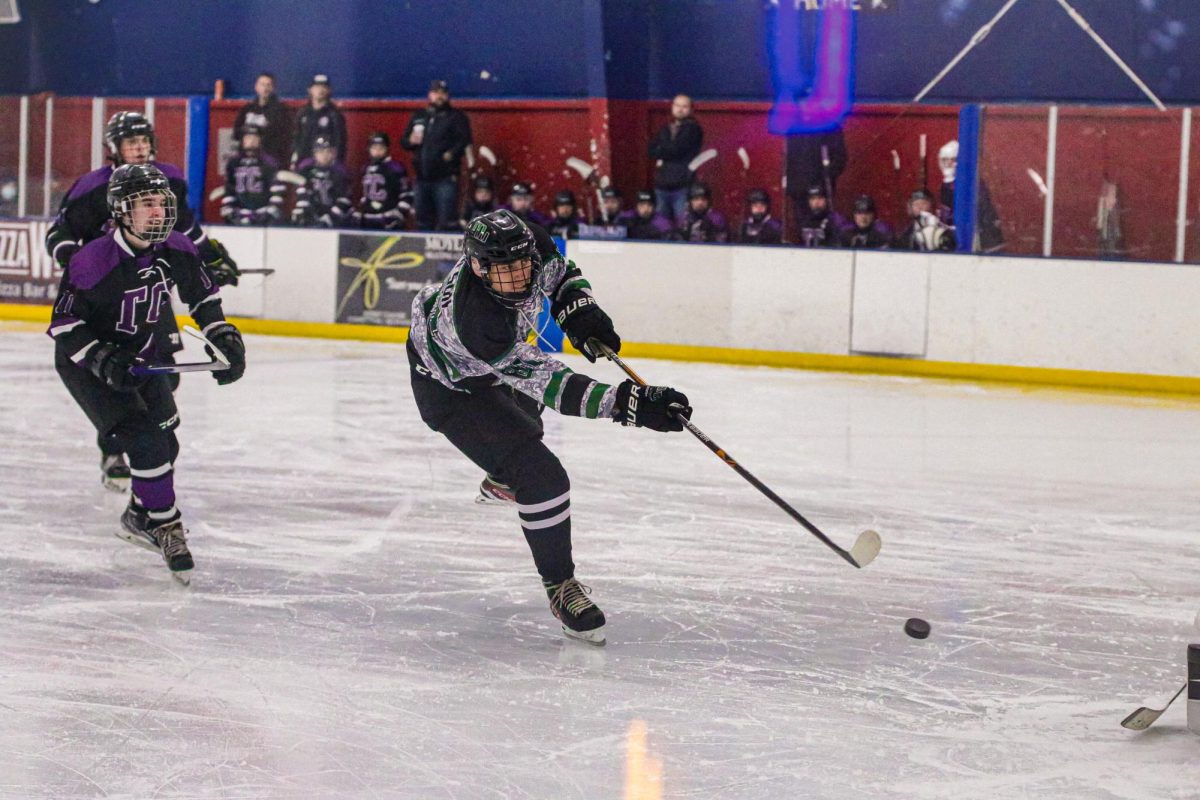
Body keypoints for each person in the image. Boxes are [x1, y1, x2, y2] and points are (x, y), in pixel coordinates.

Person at [406, 209, 691, 644]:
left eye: (523, 265)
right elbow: (553, 385)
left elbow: (561, 275)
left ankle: (501, 476)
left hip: (497, 361)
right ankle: (560, 586)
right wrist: (631, 404)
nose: (519, 277)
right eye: (504, 270)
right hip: (451, 389)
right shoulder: (476, 321)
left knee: (524, 430)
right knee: (543, 476)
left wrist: (580, 310)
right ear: (478, 268)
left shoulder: (530, 243)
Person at [46, 164, 246, 583]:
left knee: (166, 445)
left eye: (161, 203)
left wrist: (223, 336)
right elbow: (64, 325)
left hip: (144, 354)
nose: (158, 213)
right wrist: (101, 358)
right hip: (88, 363)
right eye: (147, 204)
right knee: (146, 442)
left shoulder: (176, 247)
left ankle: (140, 514)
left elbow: (203, 298)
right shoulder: (92, 260)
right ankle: (167, 525)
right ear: (121, 210)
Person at [44, 110, 240, 491]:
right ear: (113, 148)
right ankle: (115, 446)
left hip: (150, 288)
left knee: (161, 374)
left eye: (143, 140)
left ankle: (147, 463)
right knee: (112, 371)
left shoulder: (167, 180)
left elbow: (185, 230)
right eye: (130, 141)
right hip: (105, 295)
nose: (139, 147)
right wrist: (81, 268)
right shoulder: (92, 187)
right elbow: (61, 234)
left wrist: (212, 259)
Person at [402, 79, 473, 231]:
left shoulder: (456, 117)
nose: (439, 97)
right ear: (429, 95)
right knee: (422, 222)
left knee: (447, 222)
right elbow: (404, 142)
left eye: (443, 93)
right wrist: (411, 141)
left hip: (445, 179)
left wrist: (450, 154)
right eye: (436, 93)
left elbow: (465, 139)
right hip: (421, 179)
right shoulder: (419, 116)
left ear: (448, 96)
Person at [936, 139, 1004, 252]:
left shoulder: (972, 184)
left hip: (981, 243)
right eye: (944, 160)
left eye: (953, 159)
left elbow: (982, 215)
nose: (948, 164)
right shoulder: (946, 186)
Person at [648, 94, 703, 225]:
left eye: (684, 106)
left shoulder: (694, 129)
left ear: (690, 109)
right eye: (677, 105)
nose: (680, 109)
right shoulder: (665, 128)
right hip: (661, 185)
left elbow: (678, 149)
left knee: (683, 224)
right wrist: (667, 150)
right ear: (672, 107)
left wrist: (662, 151)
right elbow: (650, 150)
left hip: (682, 186)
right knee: (660, 226)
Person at [220, 125, 286, 226]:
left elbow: (277, 193)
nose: (251, 141)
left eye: (255, 138)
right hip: (239, 215)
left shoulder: (269, 162)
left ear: (260, 140)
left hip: (263, 215)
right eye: (248, 138)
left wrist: (268, 214)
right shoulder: (233, 163)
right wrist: (230, 212)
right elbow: (229, 190)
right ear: (242, 140)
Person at [785, 127, 847, 229]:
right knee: (803, 229)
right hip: (800, 191)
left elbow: (840, 157)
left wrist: (827, 176)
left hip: (822, 189)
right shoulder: (794, 127)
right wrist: (791, 188)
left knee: (825, 228)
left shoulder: (830, 125)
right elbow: (790, 160)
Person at [353, 132, 412, 230]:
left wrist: (398, 215)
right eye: (374, 148)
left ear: (387, 149)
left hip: (388, 218)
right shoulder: (365, 168)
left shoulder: (396, 168)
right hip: (368, 218)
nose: (377, 151)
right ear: (369, 149)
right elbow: (364, 195)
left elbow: (407, 194)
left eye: (381, 148)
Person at [233, 72, 292, 166]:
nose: (265, 88)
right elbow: (236, 133)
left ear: (273, 88)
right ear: (256, 87)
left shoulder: (282, 110)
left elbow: (285, 137)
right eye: (262, 84)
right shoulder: (247, 109)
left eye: (268, 85)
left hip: (271, 160)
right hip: (247, 159)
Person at [292, 136, 352, 227]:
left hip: (335, 218)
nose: (324, 155)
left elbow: (344, 200)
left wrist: (330, 218)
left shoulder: (340, 172)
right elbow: (302, 194)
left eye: (328, 151)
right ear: (315, 154)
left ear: (334, 153)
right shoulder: (307, 171)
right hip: (314, 213)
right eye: (320, 152)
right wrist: (306, 213)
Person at [292, 74, 347, 167]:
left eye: (324, 87)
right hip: (304, 163)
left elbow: (340, 142)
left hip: (326, 164)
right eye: (317, 86)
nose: (321, 90)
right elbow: (296, 138)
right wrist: (294, 159)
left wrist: (336, 162)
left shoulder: (335, 115)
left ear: (329, 90)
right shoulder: (302, 113)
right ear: (310, 90)